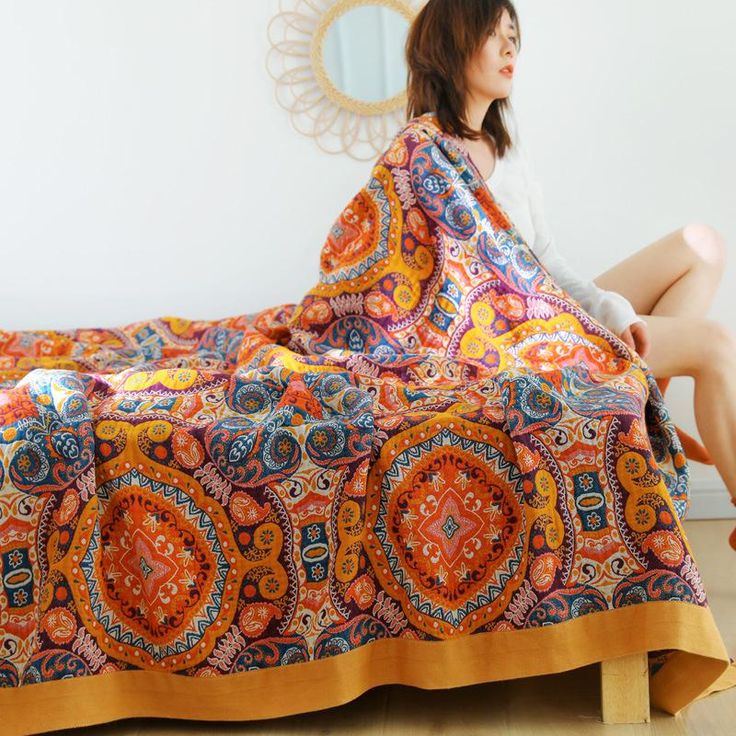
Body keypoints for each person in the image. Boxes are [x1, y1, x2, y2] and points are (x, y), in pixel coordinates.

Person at [404, 0, 736, 519]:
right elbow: (423, 282)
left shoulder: (507, 149)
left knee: (702, 246)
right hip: (507, 338)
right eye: (495, 34)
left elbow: (545, 258)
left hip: (545, 309)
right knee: (715, 342)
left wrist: (610, 309)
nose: (511, 47)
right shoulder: (424, 152)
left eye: (514, 34)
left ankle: (643, 400)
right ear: (451, 45)